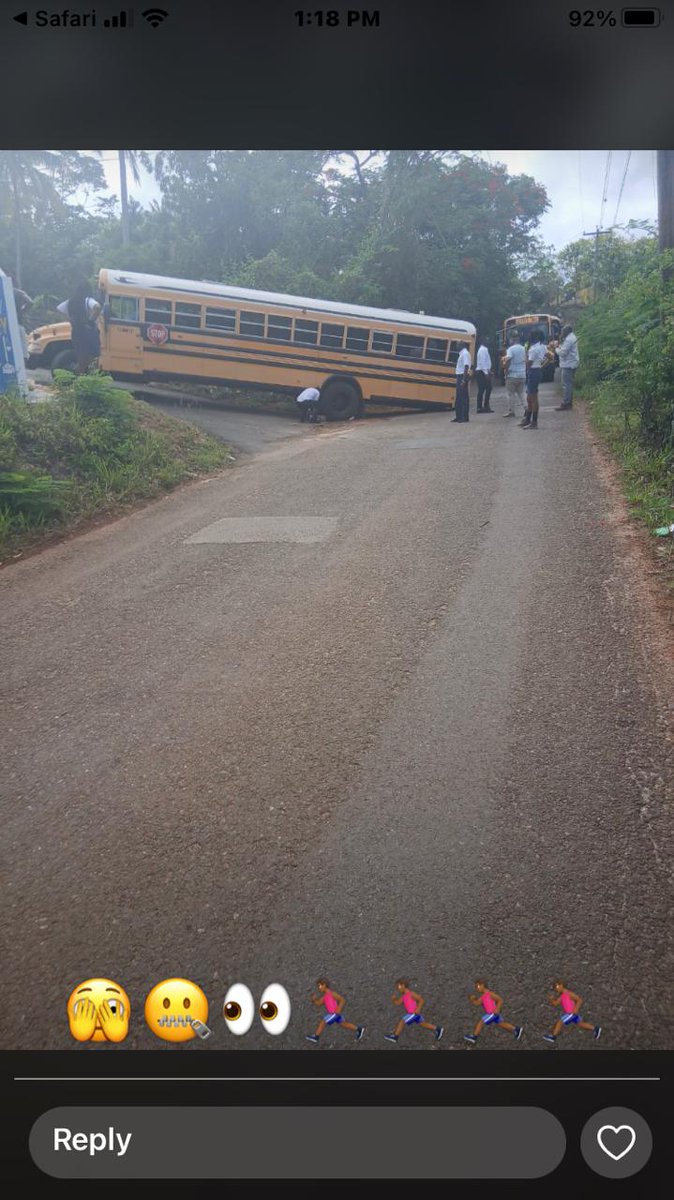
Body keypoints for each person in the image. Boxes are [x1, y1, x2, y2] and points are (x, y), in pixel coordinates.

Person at [57, 281, 102, 373]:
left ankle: (78, 372)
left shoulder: (70, 302)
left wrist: (69, 319)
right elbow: (97, 307)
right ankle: (79, 371)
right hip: (88, 332)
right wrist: (90, 320)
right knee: (93, 354)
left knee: (81, 355)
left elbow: (59, 309)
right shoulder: (88, 300)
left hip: (76, 331)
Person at [305, 978, 365, 1044]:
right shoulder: (325, 996)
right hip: (334, 1014)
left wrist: (338, 1010)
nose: (319, 988)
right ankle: (359, 1029)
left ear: (324, 985)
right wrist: (314, 1000)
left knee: (323, 1021)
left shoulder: (331, 994)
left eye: (320, 986)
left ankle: (316, 1037)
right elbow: (319, 1004)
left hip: (334, 1013)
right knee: (344, 1024)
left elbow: (342, 1000)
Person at [464, 980, 523, 1045]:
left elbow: (500, 1000)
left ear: (483, 985)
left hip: (492, 1013)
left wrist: (497, 1009)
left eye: (478, 986)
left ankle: (474, 1037)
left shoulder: (489, 994)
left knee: (481, 1021)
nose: (477, 988)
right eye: (475, 987)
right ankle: (516, 1029)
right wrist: (472, 999)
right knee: (502, 1024)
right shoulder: (483, 997)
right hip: (493, 1014)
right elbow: (477, 1003)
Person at [520, 332, 550, 430]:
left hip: (532, 371)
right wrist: (542, 366)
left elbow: (529, 364)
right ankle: (528, 419)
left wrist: (525, 358)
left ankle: (534, 422)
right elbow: (550, 357)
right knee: (529, 397)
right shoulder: (543, 347)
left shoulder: (533, 349)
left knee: (533, 398)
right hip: (537, 371)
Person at [503, 331, 527, 418]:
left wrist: (506, 369)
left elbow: (508, 359)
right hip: (522, 374)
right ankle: (526, 408)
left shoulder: (510, 349)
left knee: (510, 393)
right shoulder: (523, 348)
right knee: (522, 393)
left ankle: (511, 411)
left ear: (512, 339)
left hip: (512, 374)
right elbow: (526, 359)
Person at [556, 324, 579, 411]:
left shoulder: (569, 339)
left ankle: (566, 403)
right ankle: (568, 402)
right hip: (570, 363)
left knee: (566, 385)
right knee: (568, 384)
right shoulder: (571, 337)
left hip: (568, 364)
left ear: (566, 331)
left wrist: (556, 349)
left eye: (563, 331)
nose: (562, 332)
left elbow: (562, 353)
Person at [452, 341, 472, 423]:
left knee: (463, 398)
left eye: (457, 345)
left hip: (462, 376)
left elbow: (466, 366)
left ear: (461, 345)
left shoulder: (465, 354)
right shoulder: (462, 353)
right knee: (459, 398)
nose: (456, 347)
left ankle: (464, 417)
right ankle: (458, 416)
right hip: (460, 376)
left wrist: (464, 379)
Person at [474, 339, 493, 413]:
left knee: (485, 389)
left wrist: (489, 371)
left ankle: (484, 406)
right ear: (483, 342)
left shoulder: (484, 349)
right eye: (487, 340)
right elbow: (482, 363)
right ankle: (481, 407)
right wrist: (486, 373)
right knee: (484, 389)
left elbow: (486, 362)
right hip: (481, 372)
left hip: (483, 371)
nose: (488, 342)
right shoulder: (482, 350)